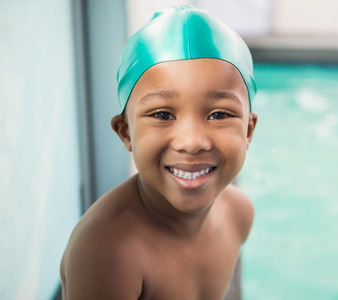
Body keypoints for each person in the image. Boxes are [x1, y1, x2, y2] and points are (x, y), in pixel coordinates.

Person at [60, 5, 258, 299]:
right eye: (163, 115)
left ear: (248, 131)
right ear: (125, 131)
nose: (191, 142)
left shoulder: (239, 213)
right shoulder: (108, 251)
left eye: (218, 115)